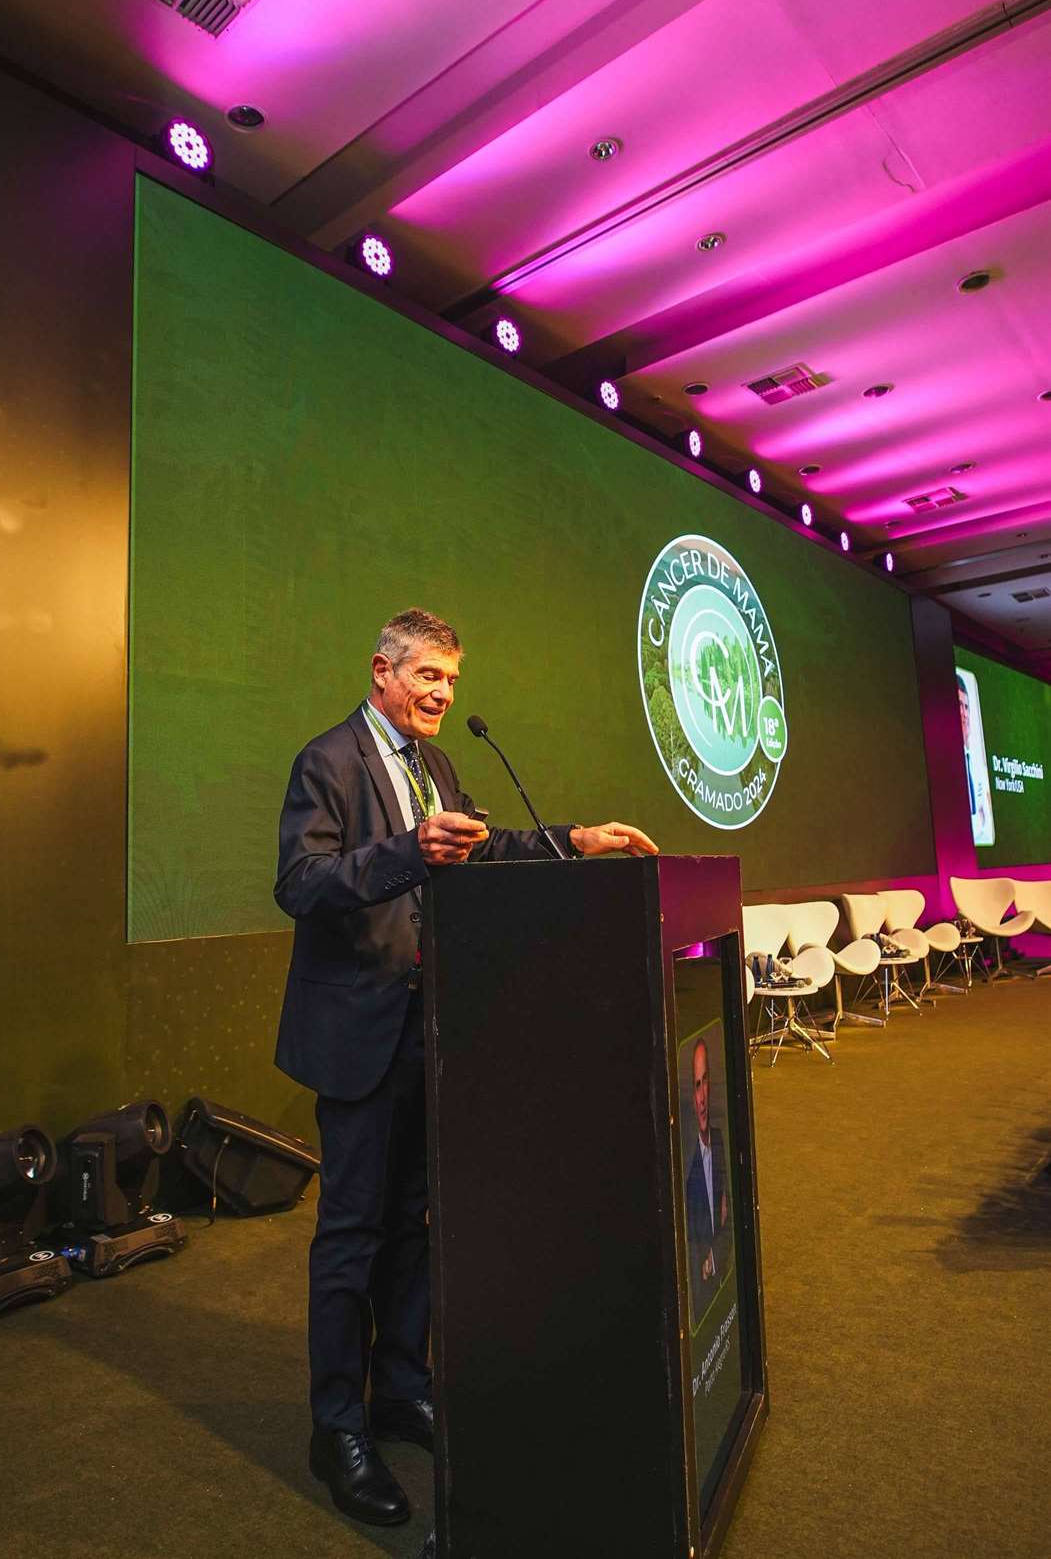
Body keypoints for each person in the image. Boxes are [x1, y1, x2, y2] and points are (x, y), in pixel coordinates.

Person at [273, 608, 658, 1527]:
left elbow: (478, 855)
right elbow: (300, 883)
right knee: (352, 1234)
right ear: (381, 670)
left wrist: (573, 839)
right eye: (428, 675)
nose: (444, 692)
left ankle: (402, 1391)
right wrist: (405, 852)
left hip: (436, 1030)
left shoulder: (437, 765)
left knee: (415, 1223)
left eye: (451, 678)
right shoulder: (327, 761)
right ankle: (337, 1429)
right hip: (358, 1035)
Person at [685, 1035, 732, 1325]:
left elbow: (730, 1226)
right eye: (695, 1085)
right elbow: (694, 1257)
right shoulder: (688, 1174)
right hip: (705, 1307)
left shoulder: (719, 1141)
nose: (702, 1097)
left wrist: (714, 1255)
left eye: (705, 1082)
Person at [956, 673, 994, 846]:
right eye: (958, 705)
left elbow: (987, 818)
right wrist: (979, 820)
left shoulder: (976, 765)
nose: (964, 713)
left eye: (966, 707)